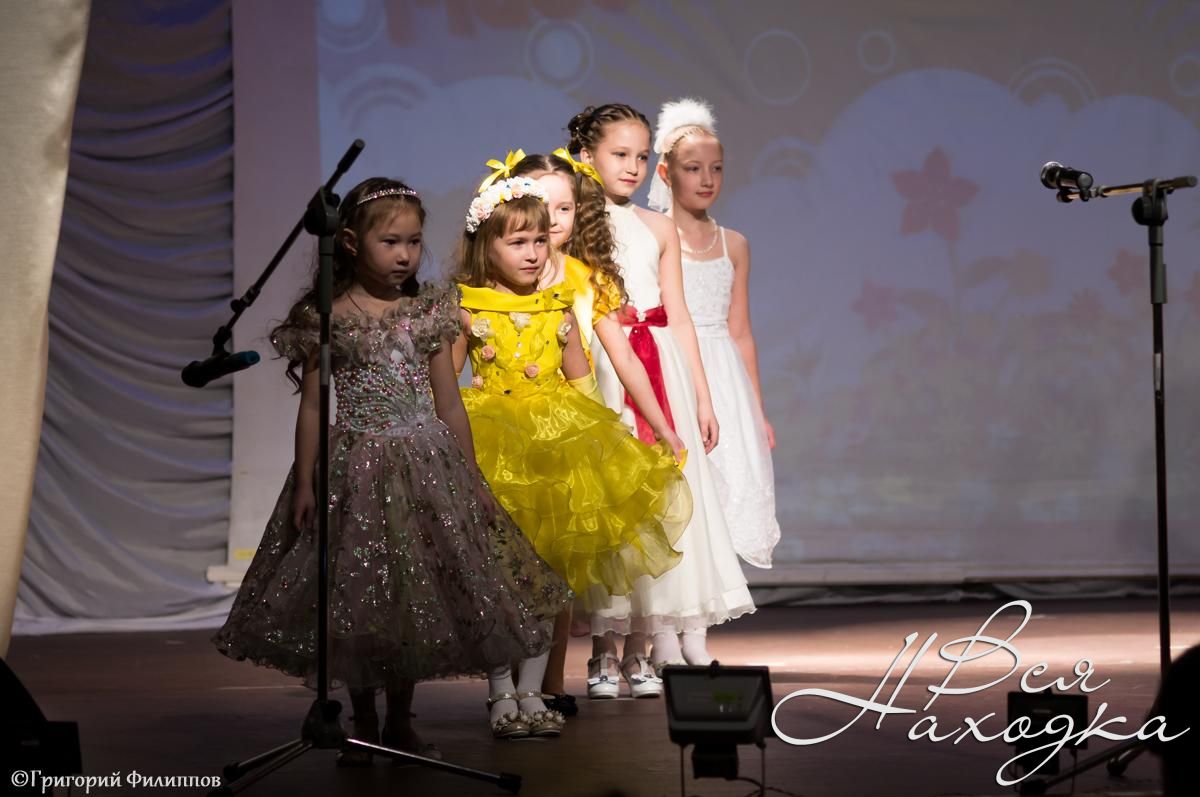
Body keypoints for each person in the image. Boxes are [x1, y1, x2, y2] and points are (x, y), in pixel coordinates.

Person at [212, 178, 572, 759]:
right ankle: (360, 722)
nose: (405, 255)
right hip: (355, 470)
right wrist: (304, 481)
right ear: (351, 243)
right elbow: (313, 408)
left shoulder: (426, 312)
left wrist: (471, 479)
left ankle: (401, 722)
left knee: (411, 597)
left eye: (414, 242)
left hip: (425, 466)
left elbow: (449, 403)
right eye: (391, 242)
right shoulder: (330, 316)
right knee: (362, 595)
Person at [450, 172, 693, 707]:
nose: (534, 252)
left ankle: (533, 692)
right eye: (518, 242)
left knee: (549, 574)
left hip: (555, 447)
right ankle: (500, 691)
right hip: (491, 447)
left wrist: (608, 446)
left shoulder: (558, 305)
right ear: (485, 246)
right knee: (497, 572)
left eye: (540, 240)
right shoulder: (466, 308)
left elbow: (584, 387)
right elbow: (443, 387)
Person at [569, 104, 756, 694]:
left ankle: (642, 648)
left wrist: (701, 396)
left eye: (642, 157)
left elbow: (678, 316)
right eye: (619, 154)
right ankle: (603, 648)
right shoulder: (570, 220)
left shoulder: (657, 227)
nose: (632, 166)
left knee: (659, 505)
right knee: (611, 505)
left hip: (661, 369)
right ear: (587, 156)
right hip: (602, 367)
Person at [649, 97, 780, 569]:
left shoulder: (734, 244)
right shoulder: (652, 237)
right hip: (676, 367)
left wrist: (756, 410)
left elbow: (740, 330)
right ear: (665, 173)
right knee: (678, 491)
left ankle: (711, 608)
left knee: (729, 487)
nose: (706, 179)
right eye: (693, 168)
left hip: (724, 376)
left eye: (716, 169)